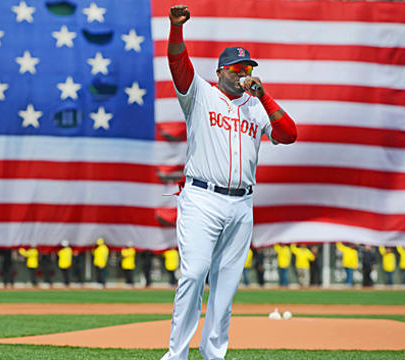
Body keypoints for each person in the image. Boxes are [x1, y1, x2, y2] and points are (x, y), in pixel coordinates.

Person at [162, 5, 297, 359]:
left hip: (241, 204)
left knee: (226, 286)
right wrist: (177, 30)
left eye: (249, 68)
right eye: (238, 68)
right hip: (202, 198)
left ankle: (214, 354)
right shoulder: (201, 95)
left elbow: (289, 134)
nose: (244, 73)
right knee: (194, 273)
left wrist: (263, 95)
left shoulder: (256, 107)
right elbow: (178, 66)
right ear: (221, 71)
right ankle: (176, 355)